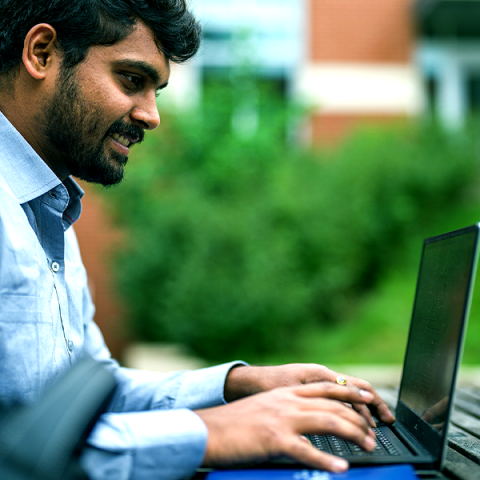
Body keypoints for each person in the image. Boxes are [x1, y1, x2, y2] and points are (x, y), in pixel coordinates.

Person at [0, 1, 395, 479]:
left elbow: (95, 399)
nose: (151, 116)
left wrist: (241, 386)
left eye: (157, 92)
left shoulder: (48, 212)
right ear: (42, 53)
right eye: (131, 80)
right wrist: (214, 432)